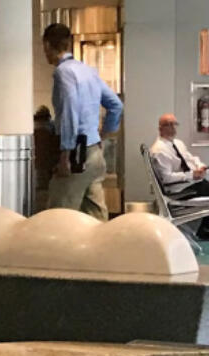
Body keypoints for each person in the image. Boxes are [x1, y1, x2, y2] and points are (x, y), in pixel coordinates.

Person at [42, 23, 123, 221]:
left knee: (58, 217)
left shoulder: (63, 72)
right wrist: (104, 134)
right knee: (95, 217)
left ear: (47, 45)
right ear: (69, 43)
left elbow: (70, 111)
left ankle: (59, 253)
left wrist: (65, 155)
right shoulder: (89, 71)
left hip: (76, 155)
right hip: (95, 152)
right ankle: (102, 251)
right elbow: (116, 105)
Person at [149, 113, 209, 241]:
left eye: (175, 124)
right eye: (169, 124)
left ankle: (207, 229)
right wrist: (191, 175)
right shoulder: (159, 150)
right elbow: (166, 178)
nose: (173, 127)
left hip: (190, 182)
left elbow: (190, 158)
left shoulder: (177, 143)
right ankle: (207, 230)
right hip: (180, 190)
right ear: (160, 128)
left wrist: (200, 167)